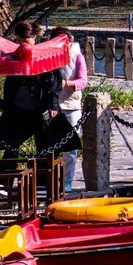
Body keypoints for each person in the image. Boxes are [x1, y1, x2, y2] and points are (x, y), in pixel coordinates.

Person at [0, 21, 62, 160]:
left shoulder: (44, 57)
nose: (22, 45)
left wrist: (53, 105)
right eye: (18, 41)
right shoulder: (14, 56)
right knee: (11, 146)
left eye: (25, 41)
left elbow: (55, 84)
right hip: (18, 110)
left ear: (34, 38)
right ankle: (5, 180)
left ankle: (42, 180)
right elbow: (9, 85)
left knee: (44, 147)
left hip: (40, 109)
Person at [49, 25, 87, 190]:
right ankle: (48, 180)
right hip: (52, 104)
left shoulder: (77, 55)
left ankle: (67, 181)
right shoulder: (49, 54)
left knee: (70, 147)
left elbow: (83, 81)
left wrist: (66, 84)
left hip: (71, 104)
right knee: (50, 145)